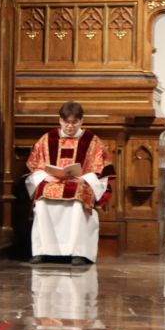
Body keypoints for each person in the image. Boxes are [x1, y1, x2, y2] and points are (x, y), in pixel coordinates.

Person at [25, 101, 115, 266]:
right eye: (66, 122)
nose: (70, 126)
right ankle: (42, 251)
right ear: (60, 120)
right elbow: (34, 165)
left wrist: (84, 179)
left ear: (81, 121)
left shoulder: (92, 141)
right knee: (43, 196)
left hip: (79, 182)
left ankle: (77, 252)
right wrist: (45, 177)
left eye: (74, 122)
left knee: (77, 195)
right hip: (52, 181)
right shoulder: (47, 139)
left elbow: (101, 170)